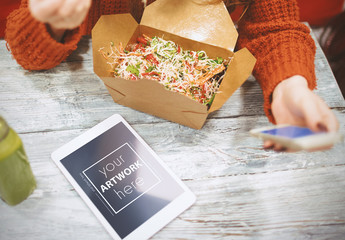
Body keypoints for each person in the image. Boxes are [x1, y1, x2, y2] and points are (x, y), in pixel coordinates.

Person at [5, 0, 339, 151]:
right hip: (87, 123)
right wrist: (49, 22)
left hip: (205, 147)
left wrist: (290, 86)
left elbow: (276, 29)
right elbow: (25, 51)